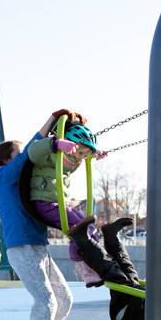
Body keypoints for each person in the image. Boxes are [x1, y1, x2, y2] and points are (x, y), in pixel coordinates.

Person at [0, 109, 84, 320]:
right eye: (17, 153)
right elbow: (30, 152)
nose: (23, 156)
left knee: (65, 299)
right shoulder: (4, 175)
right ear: (6, 159)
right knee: (46, 301)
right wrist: (51, 122)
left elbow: (33, 157)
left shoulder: (18, 177)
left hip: (37, 245)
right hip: (22, 247)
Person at [26, 117, 131, 288]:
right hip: (43, 201)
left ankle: (97, 266)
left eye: (84, 155)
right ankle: (84, 270)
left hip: (57, 203)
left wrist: (94, 154)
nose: (80, 158)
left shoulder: (71, 161)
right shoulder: (50, 155)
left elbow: (79, 156)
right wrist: (55, 144)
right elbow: (32, 151)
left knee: (90, 227)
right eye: (79, 153)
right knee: (78, 229)